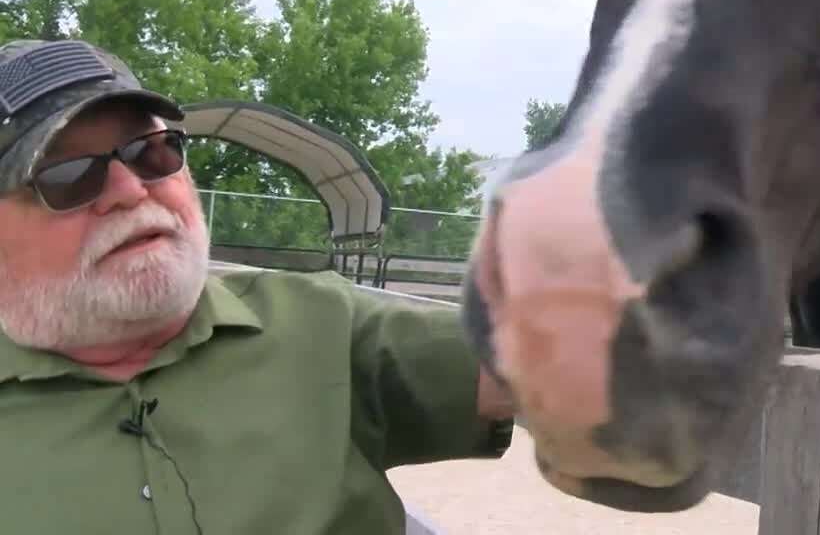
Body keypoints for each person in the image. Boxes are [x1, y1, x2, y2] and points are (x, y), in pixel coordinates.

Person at [0, 39, 515, 534]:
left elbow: (552, 354)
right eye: (67, 176)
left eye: (150, 152)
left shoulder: (324, 326)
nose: (131, 191)